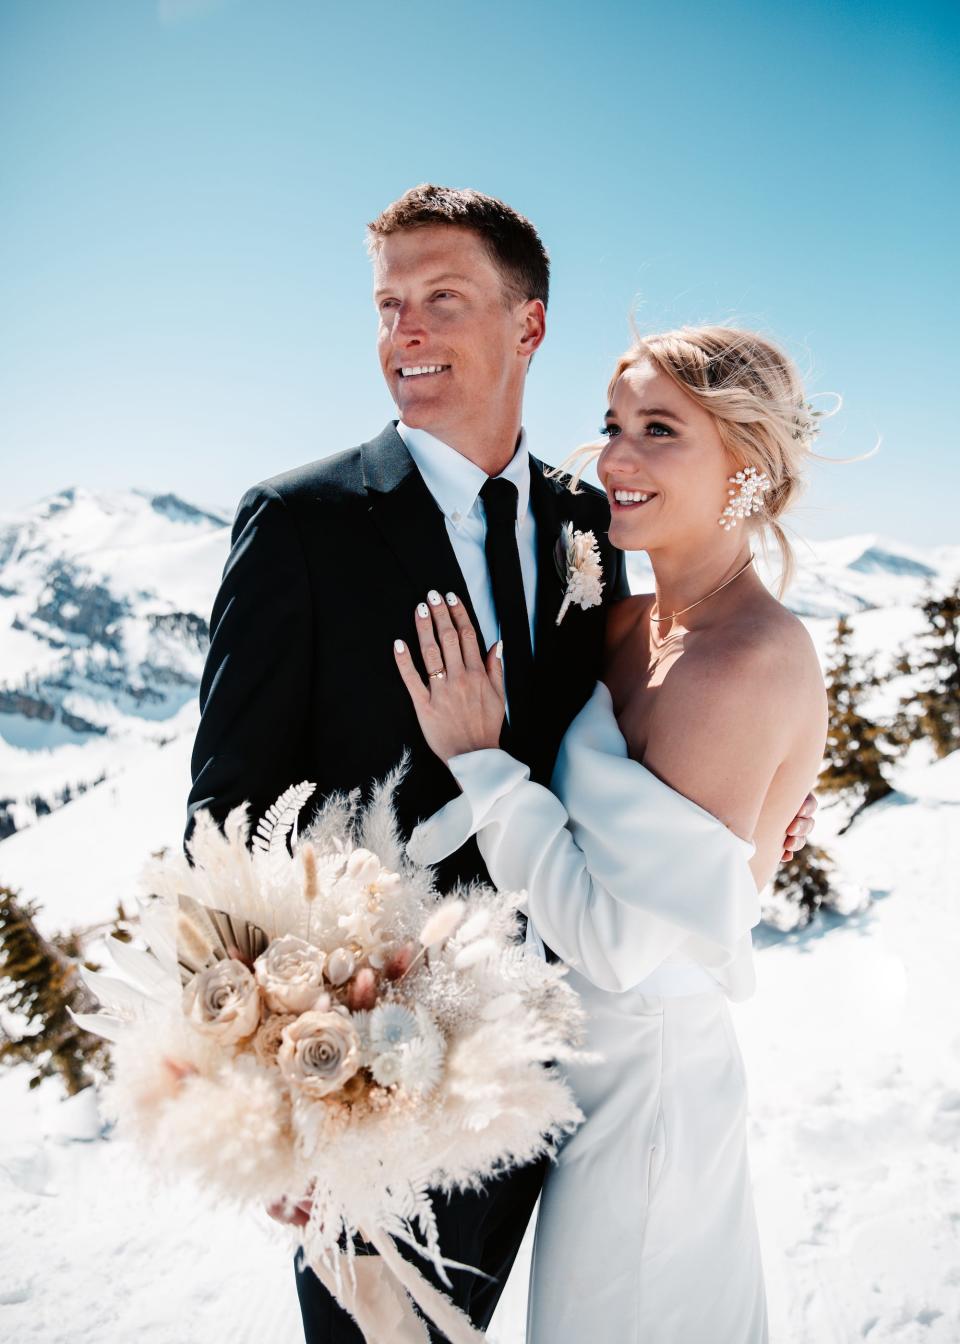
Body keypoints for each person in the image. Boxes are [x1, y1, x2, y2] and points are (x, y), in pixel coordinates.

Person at [185, 183, 816, 1341]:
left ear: (527, 326)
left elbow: (647, 769)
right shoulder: (301, 522)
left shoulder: (591, 524)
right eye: (387, 306)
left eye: (440, 299)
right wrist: (269, 1084)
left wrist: (744, 825)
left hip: (566, 1068)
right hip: (376, 1083)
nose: (404, 332)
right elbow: (227, 821)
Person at [394, 324, 830, 1343]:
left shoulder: (748, 660)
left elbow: (619, 943)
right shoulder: (628, 622)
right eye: (612, 425)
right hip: (573, 1062)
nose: (615, 460)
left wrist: (482, 763)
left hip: (651, 1086)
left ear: (746, 465)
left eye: (660, 431)